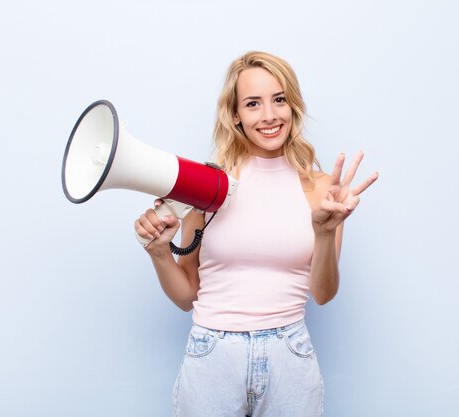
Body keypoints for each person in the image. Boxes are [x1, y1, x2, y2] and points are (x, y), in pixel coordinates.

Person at [134, 51, 378, 417]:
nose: (269, 115)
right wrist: (158, 253)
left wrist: (324, 232)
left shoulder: (322, 188)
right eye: (252, 104)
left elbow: (323, 294)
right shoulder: (206, 184)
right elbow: (187, 296)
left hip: (289, 354)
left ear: (292, 106)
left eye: (279, 99)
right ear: (235, 114)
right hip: (213, 353)